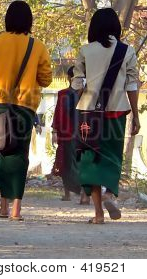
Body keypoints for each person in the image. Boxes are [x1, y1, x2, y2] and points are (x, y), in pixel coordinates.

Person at [0, 0, 52, 220]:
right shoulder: (38, 46)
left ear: (7, 19)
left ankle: (2, 205)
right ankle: (16, 209)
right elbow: (46, 79)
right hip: (25, 106)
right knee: (20, 155)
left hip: (0, 104)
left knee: (2, 152)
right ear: (29, 21)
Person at [71, 8, 140, 224]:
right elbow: (132, 85)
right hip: (117, 111)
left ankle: (98, 214)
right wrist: (136, 115)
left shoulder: (85, 50)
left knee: (91, 159)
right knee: (112, 157)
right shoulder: (127, 51)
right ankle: (110, 193)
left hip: (89, 114)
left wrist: (79, 94)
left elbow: (77, 83)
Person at [52, 66, 89, 204]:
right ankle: (75, 194)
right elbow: (58, 114)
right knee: (67, 163)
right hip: (71, 134)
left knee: (73, 163)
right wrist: (55, 131)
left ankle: (80, 193)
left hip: (77, 134)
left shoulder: (85, 94)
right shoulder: (65, 94)